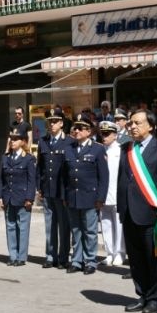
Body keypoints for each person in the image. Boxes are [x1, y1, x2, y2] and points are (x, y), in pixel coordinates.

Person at [119, 109, 157, 313]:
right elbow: (122, 180)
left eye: (137, 123)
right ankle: (142, 294)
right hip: (129, 214)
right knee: (135, 260)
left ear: (151, 126)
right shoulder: (127, 148)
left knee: (155, 260)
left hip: (152, 214)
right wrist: (121, 209)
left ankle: (155, 298)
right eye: (130, 123)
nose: (132, 127)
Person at [63, 113, 109, 275]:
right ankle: (76, 260)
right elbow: (64, 175)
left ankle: (90, 261)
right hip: (73, 196)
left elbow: (104, 177)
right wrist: (65, 196)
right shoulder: (69, 148)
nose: (76, 130)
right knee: (75, 230)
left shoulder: (97, 149)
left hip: (90, 197)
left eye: (80, 128)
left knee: (89, 231)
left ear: (89, 131)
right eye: (75, 128)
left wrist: (100, 198)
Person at [36, 106, 73, 269]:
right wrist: (39, 188)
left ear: (62, 123)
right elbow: (40, 168)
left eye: (55, 121)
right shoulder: (43, 141)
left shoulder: (69, 142)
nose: (52, 124)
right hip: (48, 189)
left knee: (64, 225)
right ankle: (51, 256)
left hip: (62, 191)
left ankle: (63, 257)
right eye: (50, 122)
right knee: (49, 225)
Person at [0, 129, 36, 266]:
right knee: (10, 227)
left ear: (23, 141)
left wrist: (30, 198)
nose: (12, 141)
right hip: (8, 197)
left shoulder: (29, 158)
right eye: (11, 138)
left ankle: (21, 257)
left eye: (16, 139)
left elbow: (32, 180)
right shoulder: (5, 158)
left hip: (23, 198)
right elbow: (1, 179)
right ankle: (12, 255)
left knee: (23, 227)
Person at [98, 121, 125, 266]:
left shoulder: (121, 151)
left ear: (115, 135)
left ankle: (120, 253)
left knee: (119, 226)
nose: (104, 137)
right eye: (102, 134)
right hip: (103, 194)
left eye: (107, 134)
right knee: (106, 224)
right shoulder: (100, 150)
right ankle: (109, 253)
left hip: (117, 193)